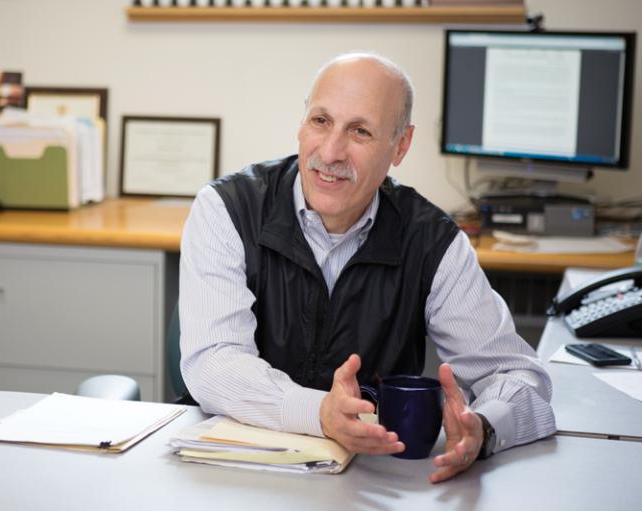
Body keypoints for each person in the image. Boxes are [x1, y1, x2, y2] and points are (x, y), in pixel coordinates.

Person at [179, 52, 556, 483]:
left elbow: (519, 376)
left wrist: (484, 427)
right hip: (230, 470)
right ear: (302, 123)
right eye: (321, 121)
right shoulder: (227, 209)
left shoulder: (432, 241)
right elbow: (213, 362)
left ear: (401, 146)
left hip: (368, 481)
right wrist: (319, 412)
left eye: (360, 131)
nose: (331, 151)